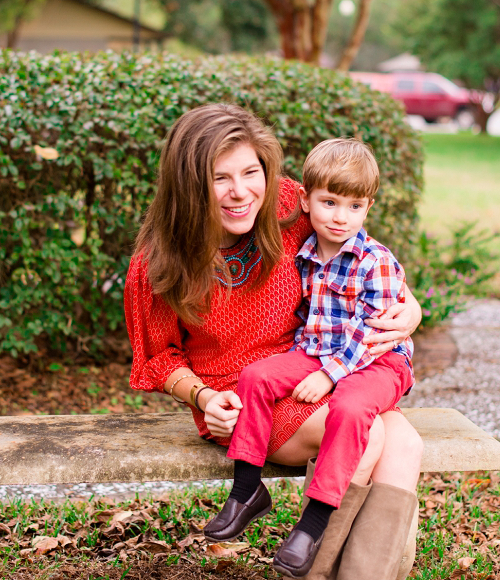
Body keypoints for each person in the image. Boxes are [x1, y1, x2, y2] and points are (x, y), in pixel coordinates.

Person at [124, 104, 423, 580]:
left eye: (250, 172)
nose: (240, 192)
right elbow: (160, 358)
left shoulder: (288, 206)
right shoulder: (158, 262)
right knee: (371, 438)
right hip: (242, 398)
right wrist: (201, 395)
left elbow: (364, 263)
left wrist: (411, 310)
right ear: (188, 182)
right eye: (219, 178)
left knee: (404, 444)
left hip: (318, 366)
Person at [204, 138, 415, 577]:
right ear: (305, 200)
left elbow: (372, 329)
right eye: (329, 203)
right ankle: (246, 490)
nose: (341, 217)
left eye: (354, 207)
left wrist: (329, 375)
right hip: (316, 351)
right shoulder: (302, 250)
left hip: (376, 359)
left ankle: (313, 523)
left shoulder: (373, 259)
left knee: (351, 409)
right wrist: (315, 364)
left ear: (368, 207)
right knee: (257, 376)